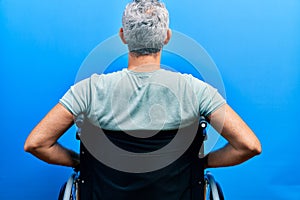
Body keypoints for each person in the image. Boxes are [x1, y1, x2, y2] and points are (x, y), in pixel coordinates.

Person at [24, 0, 261, 199]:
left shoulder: (88, 90)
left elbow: (37, 143)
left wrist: (81, 162)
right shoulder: (196, 91)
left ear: (123, 35)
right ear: (167, 37)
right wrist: (198, 163)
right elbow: (249, 146)